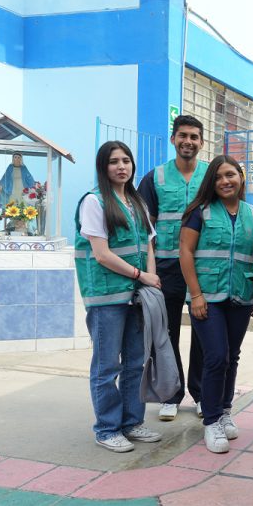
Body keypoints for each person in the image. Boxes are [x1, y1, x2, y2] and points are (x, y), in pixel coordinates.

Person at [74, 140, 163, 453]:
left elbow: (149, 245)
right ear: (104, 167)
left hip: (136, 296)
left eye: (126, 160)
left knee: (135, 363)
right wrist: (142, 276)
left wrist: (150, 281)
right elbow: (101, 254)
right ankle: (107, 428)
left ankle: (131, 422)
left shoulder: (136, 202)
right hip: (107, 297)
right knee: (106, 366)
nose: (121, 166)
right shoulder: (94, 202)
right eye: (114, 161)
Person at [178, 155, 253, 454]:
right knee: (215, 356)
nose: (225, 181)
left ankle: (225, 410)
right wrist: (196, 294)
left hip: (240, 294)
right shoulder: (199, 212)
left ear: (241, 178)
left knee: (232, 356)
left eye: (231, 175)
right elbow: (185, 252)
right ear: (211, 182)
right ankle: (211, 419)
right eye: (219, 177)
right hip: (207, 297)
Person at [138, 115, 207, 422]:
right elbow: (144, 227)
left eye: (194, 136)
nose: (187, 141)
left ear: (202, 142)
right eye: (183, 136)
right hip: (165, 268)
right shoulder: (155, 178)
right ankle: (171, 393)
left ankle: (202, 393)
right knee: (166, 333)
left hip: (204, 267)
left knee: (205, 332)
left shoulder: (212, 175)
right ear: (173, 139)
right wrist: (148, 271)